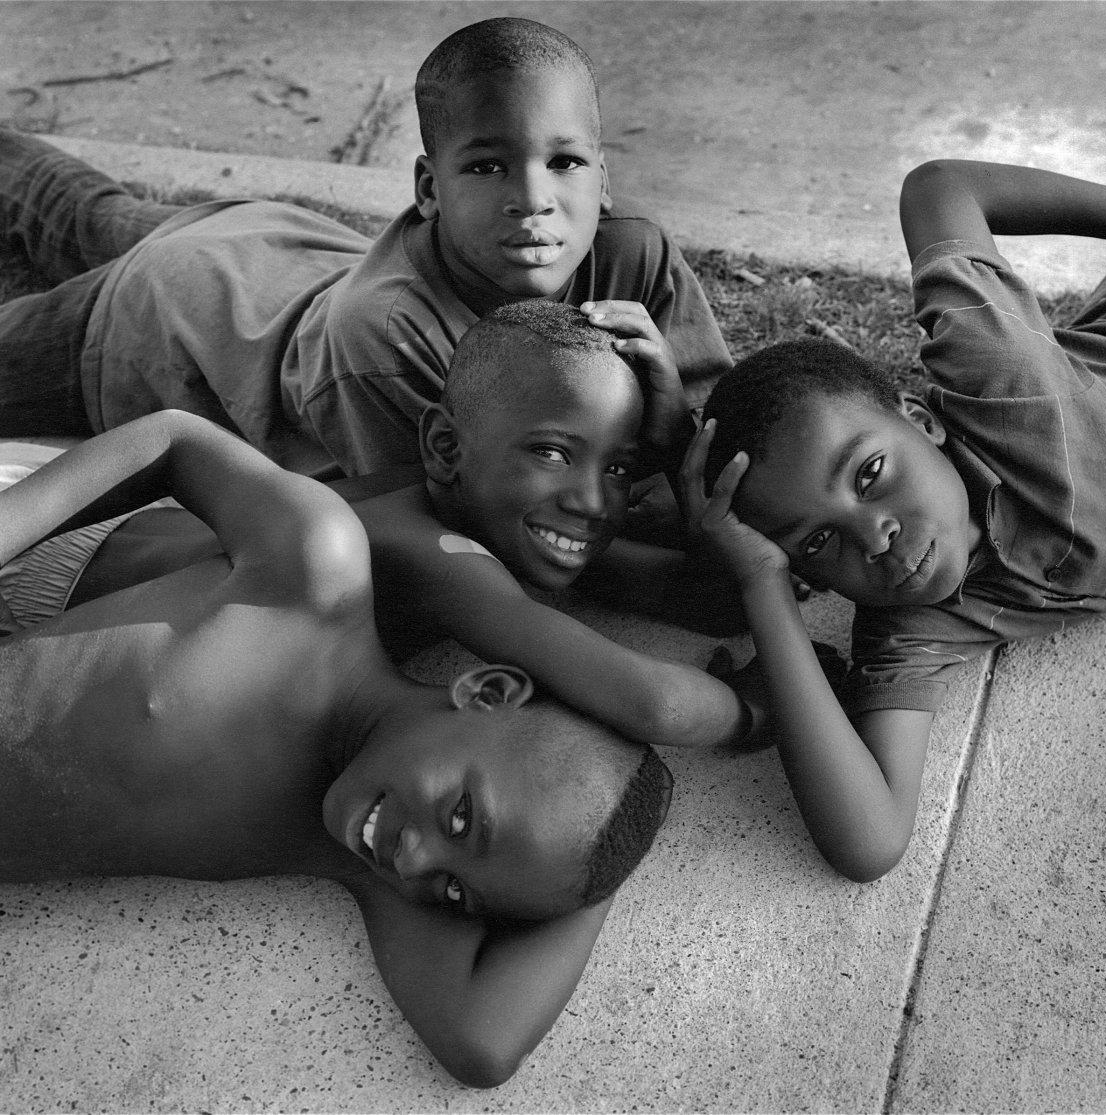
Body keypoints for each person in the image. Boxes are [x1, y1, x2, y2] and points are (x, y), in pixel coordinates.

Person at [0, 407, 674, 1088]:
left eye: (455, 893)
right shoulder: (316, 573)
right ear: (490, 693)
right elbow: (175, 438)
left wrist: (599, 871)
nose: (417, 861)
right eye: (463, 816)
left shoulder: (352, 851)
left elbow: (481, 1040)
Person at [0, 299, 761, 749]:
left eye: (620, 468)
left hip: (105, 528)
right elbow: (649, 700)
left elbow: (691, 591)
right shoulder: (431, 551)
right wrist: (758, 709)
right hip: (43, 571)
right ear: (444, 446)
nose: (593, 500)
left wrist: (673, 450)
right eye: (554, 452)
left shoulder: (495, 516)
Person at [0, 16, 731, 480]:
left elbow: (720, 447)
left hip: (278, 246)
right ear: (427, 188)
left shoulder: (633, 254)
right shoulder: (385, 340)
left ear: (603, 178)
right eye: (486, 165)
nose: (534, 198)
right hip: (166, 323)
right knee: (82, 237)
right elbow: (473, 537)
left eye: (565, 163)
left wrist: (674, 421)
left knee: (90, 212)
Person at [683, 159, 1106, 883]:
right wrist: (761, 581)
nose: (874, 536)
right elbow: (868, 840)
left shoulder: (1002, 385)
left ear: (921, 420)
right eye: (817, 541)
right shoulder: (915, 624)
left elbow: (936, 187)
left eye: (869, 474)